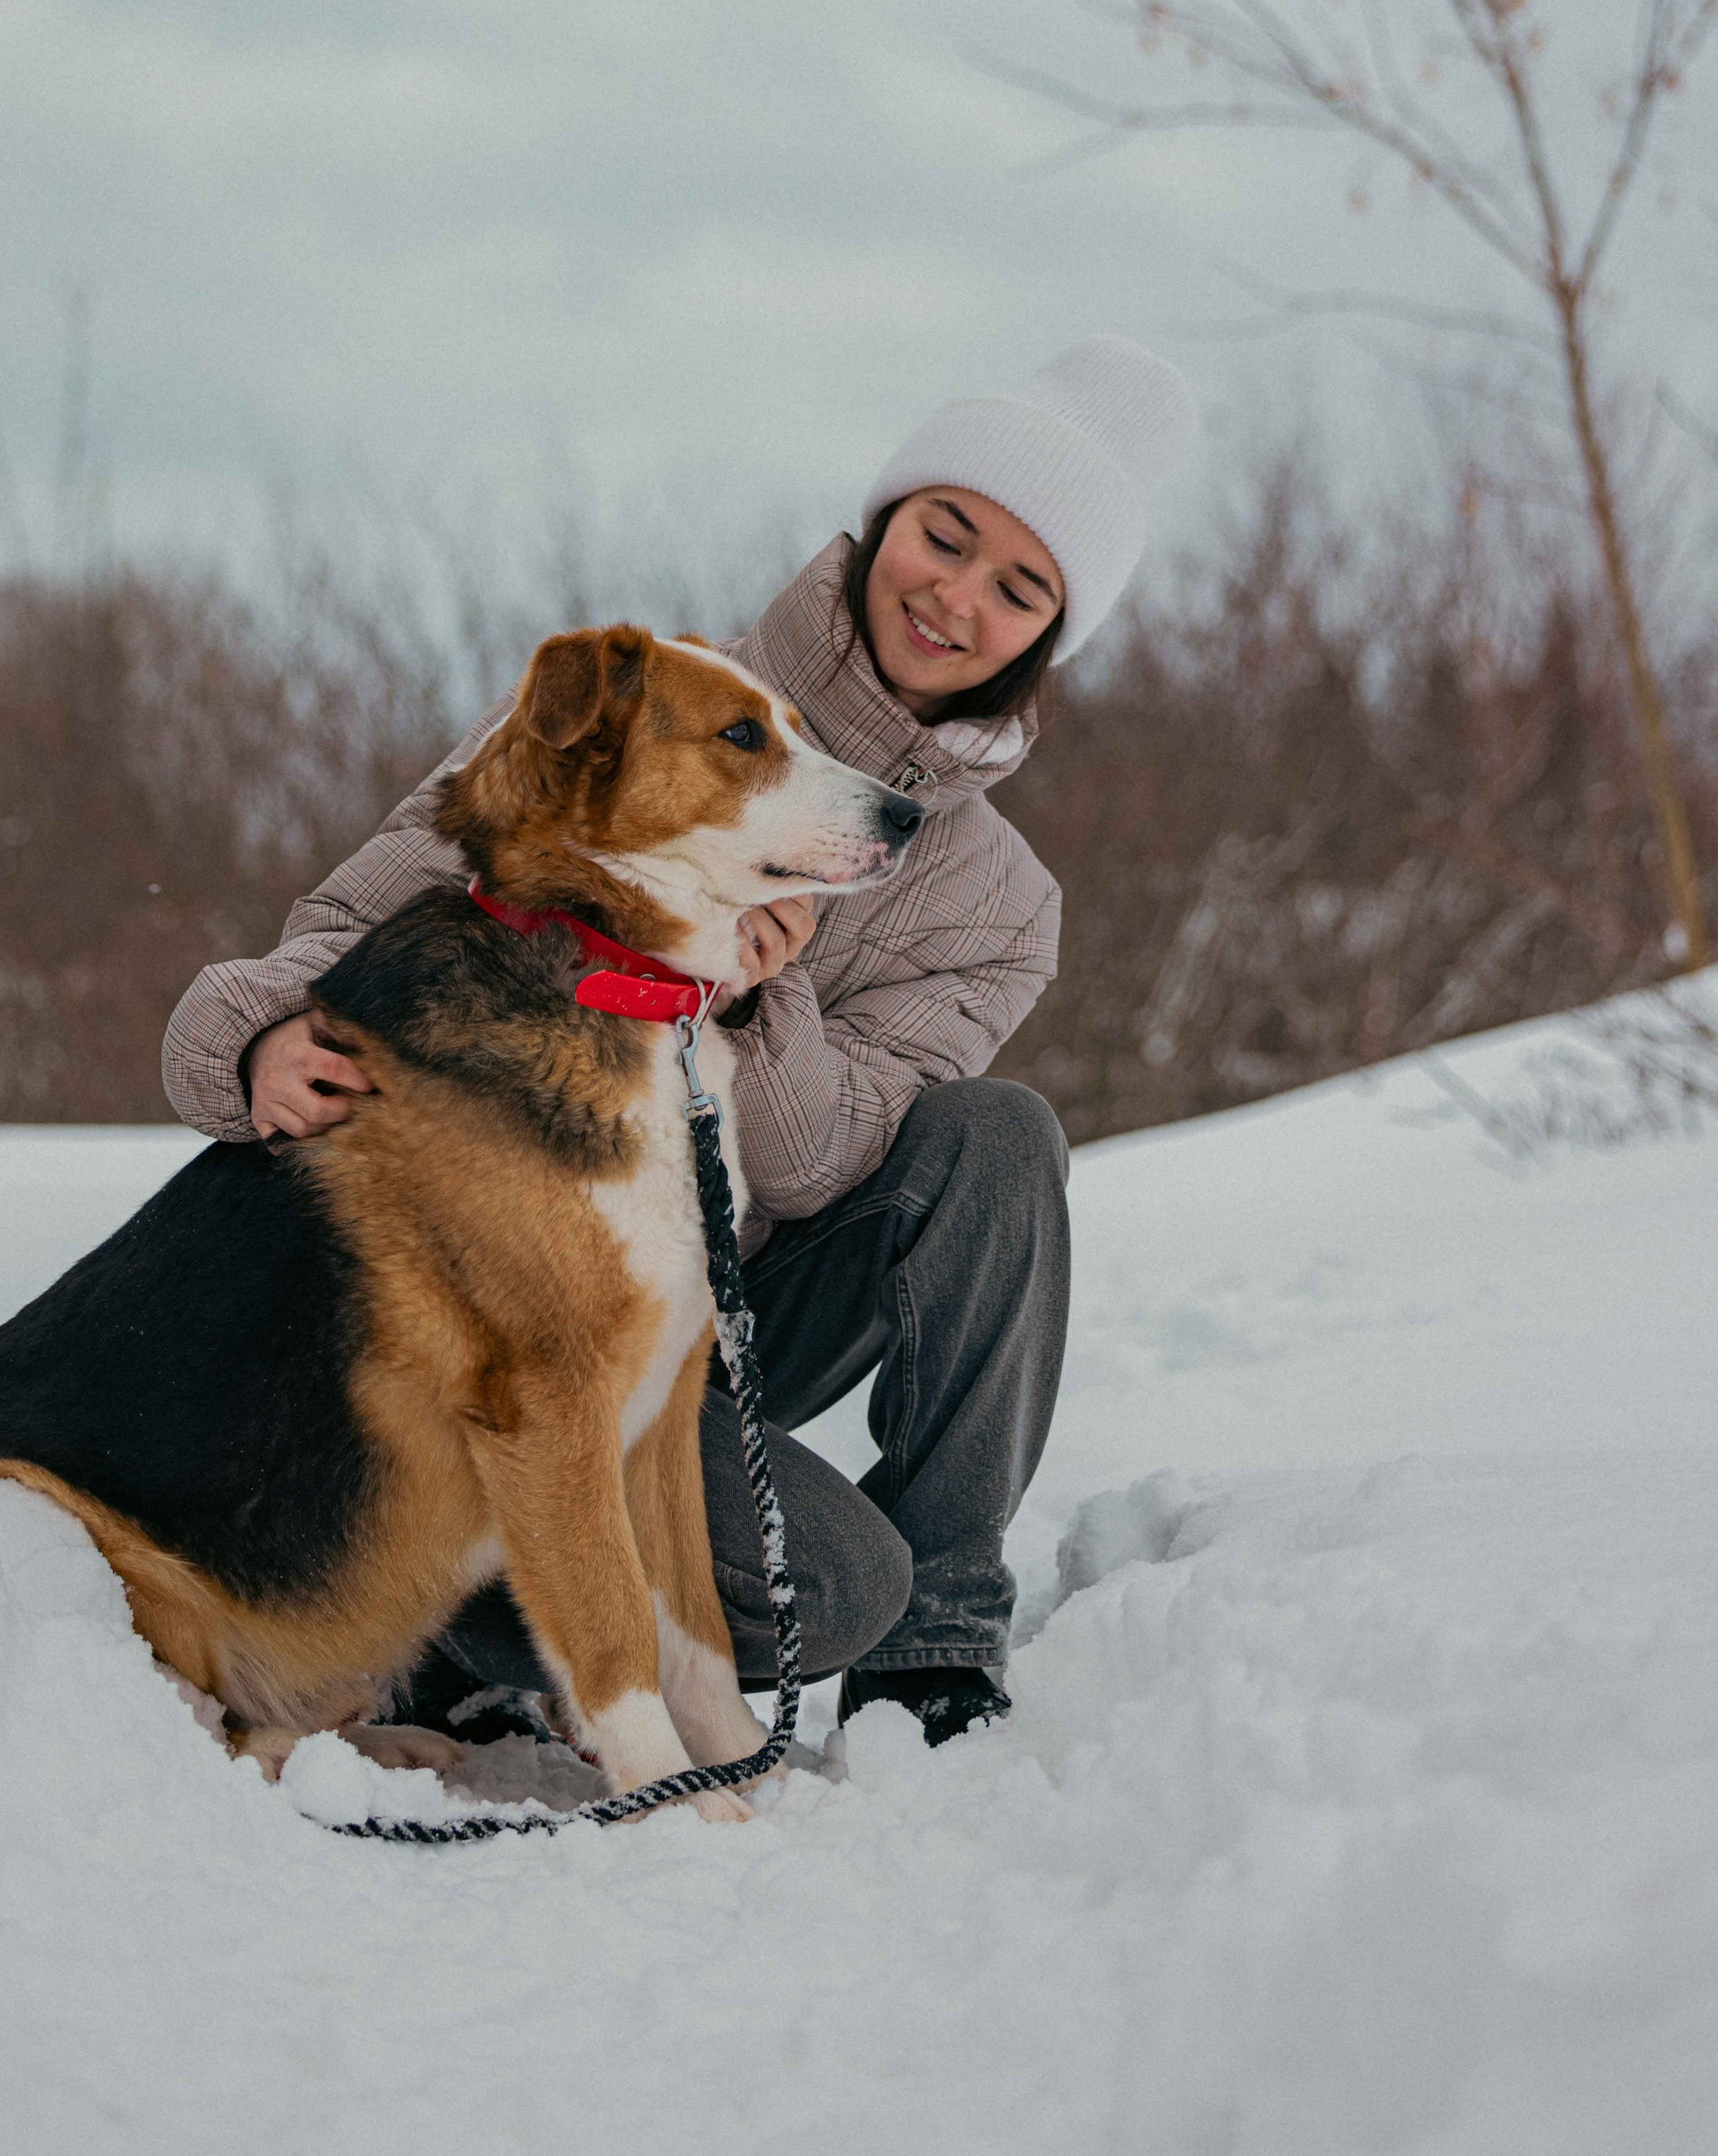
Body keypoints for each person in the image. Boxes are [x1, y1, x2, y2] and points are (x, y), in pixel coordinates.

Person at [161, 336, 1199, 1746]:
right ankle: (451, 1613)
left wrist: (762, 999)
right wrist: (249, 1032)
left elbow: (826, 1168)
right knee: (791, 1562)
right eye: (944, 534)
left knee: (993, 1159)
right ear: (885, 520)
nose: (957, 597)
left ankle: (939, 1644)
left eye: (1019, 587)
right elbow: (364, 913)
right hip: (532, 1297)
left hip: (742, 1311)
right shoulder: (635, 703)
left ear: (1047, 639)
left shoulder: (1003, 907)